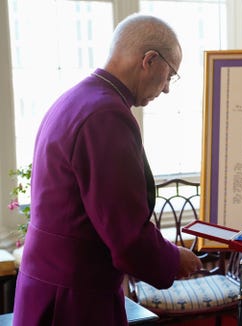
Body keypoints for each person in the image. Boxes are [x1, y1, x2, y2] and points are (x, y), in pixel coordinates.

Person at [12, 14, 202, 326]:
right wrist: (171, 260)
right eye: (170, 74)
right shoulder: (106, 116)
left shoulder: (76, 98)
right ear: (150, 60)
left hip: (48, 281)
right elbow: (124, 231)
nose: (167, 88)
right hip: (75, 296)